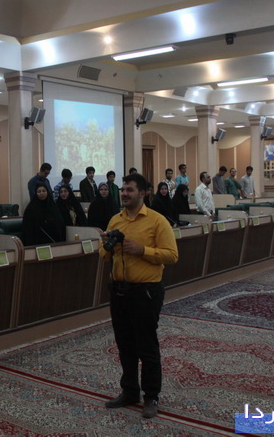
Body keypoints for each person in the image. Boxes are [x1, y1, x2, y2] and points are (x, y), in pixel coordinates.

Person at [100, 173, 178, 420]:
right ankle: (130, 391)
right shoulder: (115, 220)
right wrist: (106, 245)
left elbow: (172, 255)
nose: (124, 193)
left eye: (130, 190)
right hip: (119, 290)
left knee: (146, 345)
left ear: (142, 193)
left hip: (145, 291)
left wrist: (141, 250)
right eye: (123, 189)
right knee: (125, 344)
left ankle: (151, 396)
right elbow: (104, 255)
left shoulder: (157, 221)